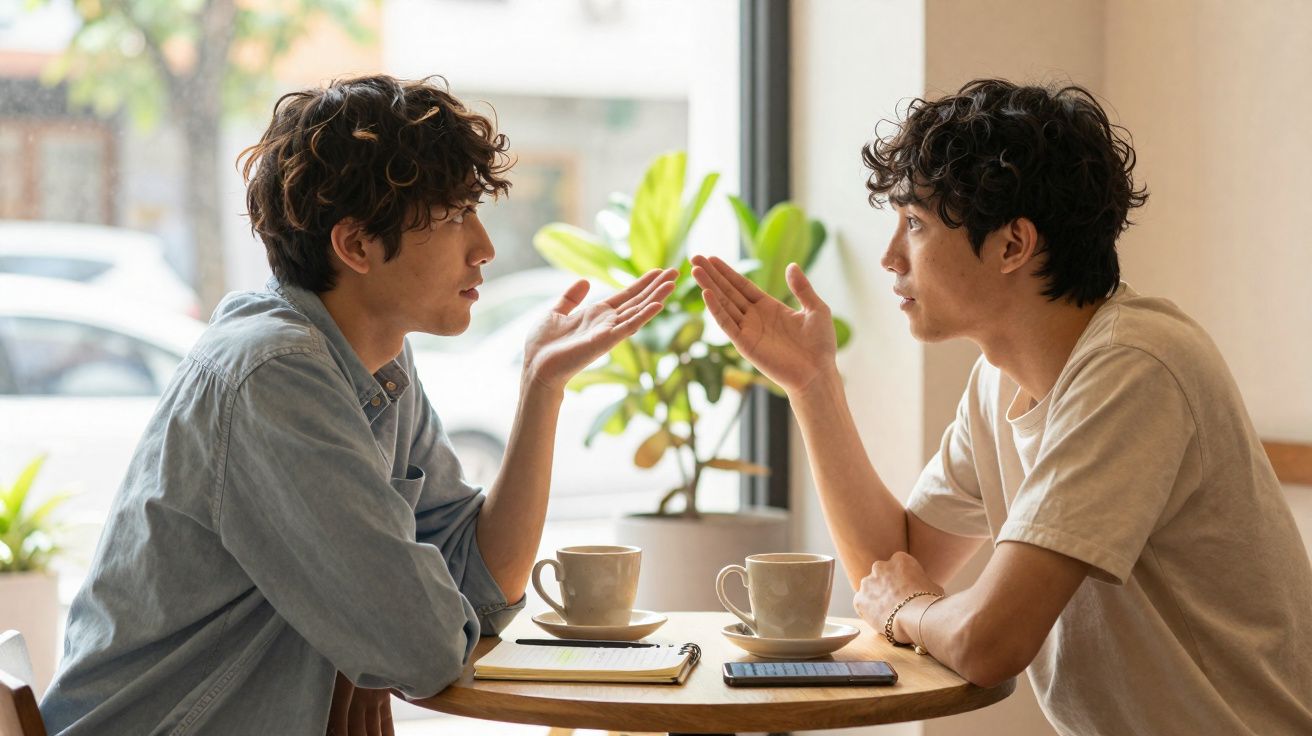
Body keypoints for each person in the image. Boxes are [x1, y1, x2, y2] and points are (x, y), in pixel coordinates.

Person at [39, 74, 676, 736]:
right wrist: (371, 644)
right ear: (356, 245)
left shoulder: (376, 359)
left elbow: (483, 589)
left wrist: (541, 385)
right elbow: (422, 650)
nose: (484, 248)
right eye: (455, 216)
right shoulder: (275, 375)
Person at [690, 79, 1312, 735]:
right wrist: (814, 385)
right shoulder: (998, 381)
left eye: (914, 224)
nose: (890, 257)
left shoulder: (1136, 367)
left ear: (1013, 245)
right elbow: (894, 564)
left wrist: (909, 608)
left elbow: (988, 642)